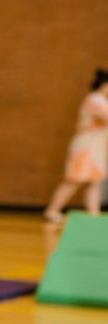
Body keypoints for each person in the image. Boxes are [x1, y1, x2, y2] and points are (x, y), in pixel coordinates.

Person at [43, 68, 108, 223]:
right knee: (74, 180)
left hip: (96, 147)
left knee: (95, 181)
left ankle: (94, 215)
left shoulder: (102, 101)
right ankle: (53, 210)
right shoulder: (95, 100)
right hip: (85, 148)